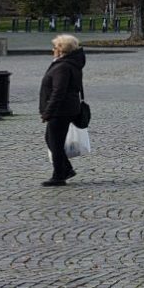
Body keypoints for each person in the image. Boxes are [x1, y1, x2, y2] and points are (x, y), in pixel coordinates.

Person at [39, 34, 86, 187]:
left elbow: (58, 91)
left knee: (55, 143)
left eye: (55, 47)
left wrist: (48, 112)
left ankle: (59, 175)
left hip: (61, 110)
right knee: (51, 140)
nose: (53, 50)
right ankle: (66, 169)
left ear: (61, 50)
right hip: (67, 108)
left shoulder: (63, 66)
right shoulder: (68, 63)